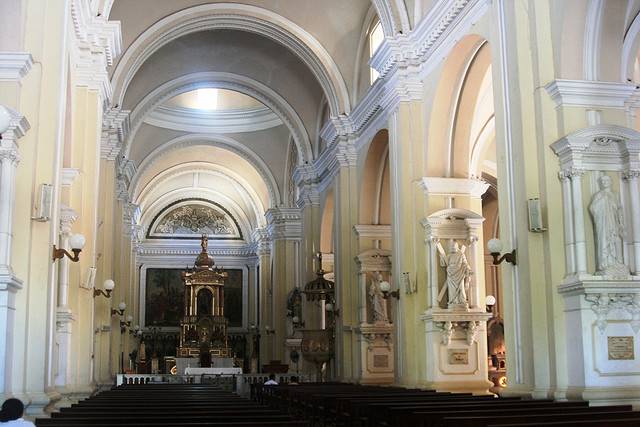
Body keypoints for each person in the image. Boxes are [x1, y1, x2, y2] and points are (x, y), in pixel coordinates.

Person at [589, 174, 629, 277]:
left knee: (617, 240)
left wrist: (621, 223)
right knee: (605, 240)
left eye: (606, 180)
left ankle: (618, 263)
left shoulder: (615, 195)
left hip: (614, 223)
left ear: (610, 182)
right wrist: (603, 200)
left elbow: (619, 209)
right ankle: (606, 263)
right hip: (604, 224)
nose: (604, 182)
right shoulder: (599, 195)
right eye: (602, 181)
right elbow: (593, 209)